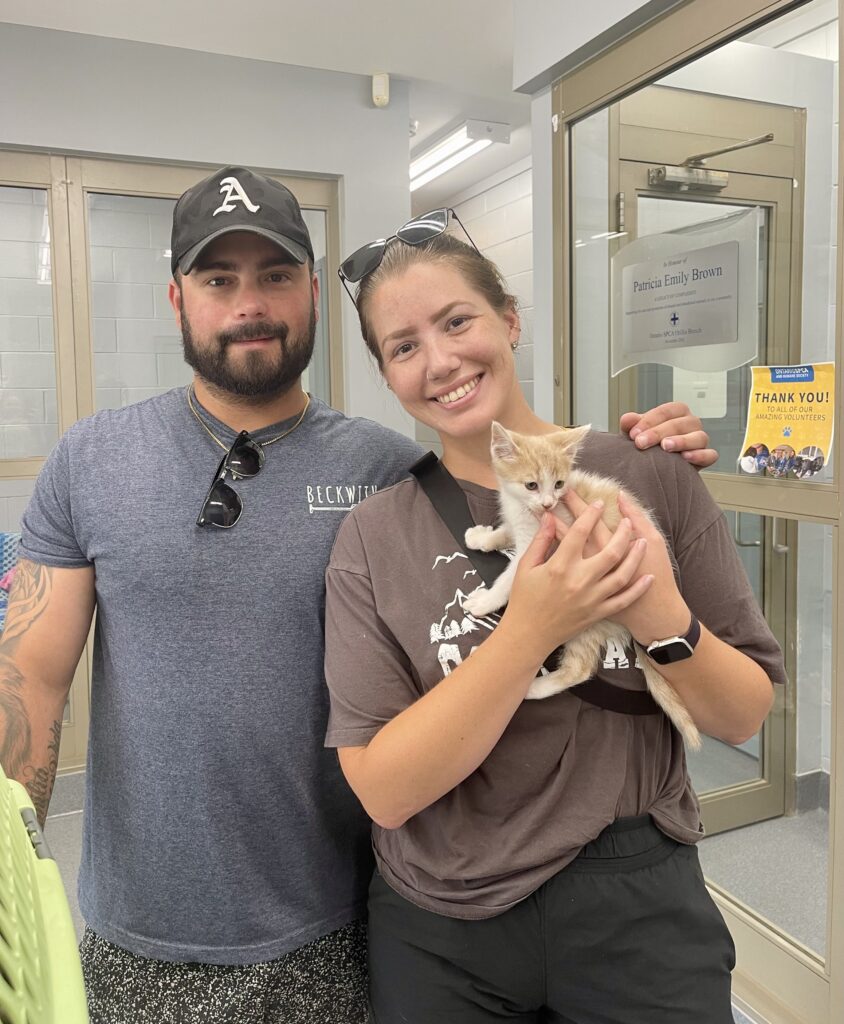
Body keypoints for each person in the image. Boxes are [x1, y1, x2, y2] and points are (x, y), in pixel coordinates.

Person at [0, 167, 715, 1024]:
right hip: (143, 934)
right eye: (217, 278)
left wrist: (642, 448)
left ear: (310, 290)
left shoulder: (387, 468)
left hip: (344, 920)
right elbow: (30, 681)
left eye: (273, 276)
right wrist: (10, 888)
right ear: (176, 297)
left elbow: (526, 484)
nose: (247, 304)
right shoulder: (92, 460)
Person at [324, 222, 786, 1023]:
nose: (439, 362)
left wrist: (656, 614)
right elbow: (386, 793)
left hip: (636, 896)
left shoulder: (649, 471)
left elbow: (743, 711)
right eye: (403, 347)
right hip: (443, 923)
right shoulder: (373, 536)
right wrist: (531, 630)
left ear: (510, 319)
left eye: (457, 321)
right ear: (386, 376)